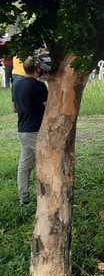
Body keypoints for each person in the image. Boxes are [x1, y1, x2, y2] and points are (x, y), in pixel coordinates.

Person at [13, 57, 47, 206]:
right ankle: (46, 195)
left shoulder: (16, 84)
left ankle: (24, 197)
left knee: (25, 165)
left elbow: (15, 108)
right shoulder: (39, 86)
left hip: (22, 129)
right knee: (44, 162)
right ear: (38, 69)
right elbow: (48, 106)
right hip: (36, 130)